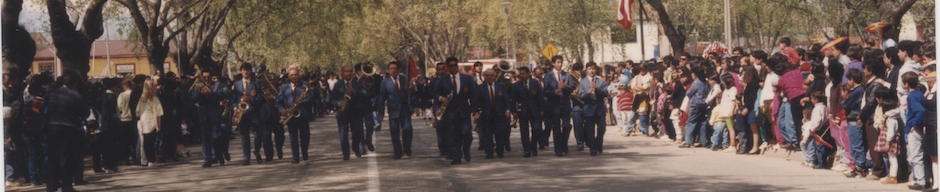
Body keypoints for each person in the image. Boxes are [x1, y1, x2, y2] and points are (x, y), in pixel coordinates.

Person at [44, 70, 89, 192]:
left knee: (52, 158)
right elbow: (85, 113)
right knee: (66, 158)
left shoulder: (51, 92)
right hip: (69, 129)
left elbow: (44, 107)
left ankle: (51, 186)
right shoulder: (76, 95)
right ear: (76, 82)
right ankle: (67, 186)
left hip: (52, 127)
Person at [435, 57, 475, 165]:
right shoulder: (442, 80)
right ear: (447, 67)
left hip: (464, 111)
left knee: (467, 133)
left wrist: (475, 110)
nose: (453, 67)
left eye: (455, 65)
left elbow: (473, 95)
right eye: (451, 65)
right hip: (450, 112)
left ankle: (466, 150)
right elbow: (436, 94)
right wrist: (440, 99)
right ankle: (456, 157)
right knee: (453, 135)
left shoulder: (466, 78)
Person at [377, 62, 416, 160]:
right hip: (393, 110)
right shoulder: (384, 82)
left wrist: (414, 104)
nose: (393, 70)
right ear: (389, 70)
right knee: (394, 132)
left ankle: (407, 147)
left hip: (405, 109)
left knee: (407, 129)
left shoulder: (405, 79)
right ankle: (397, 152)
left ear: (398, 70)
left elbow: (413, 93)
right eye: (391, 69)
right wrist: (381, 112)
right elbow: (382, 98)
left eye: (395, 68)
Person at [192, 70, 230, 167]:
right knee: (205, 139)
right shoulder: (198, 86)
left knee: (216, 137)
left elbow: (221, 96)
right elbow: (192, 99)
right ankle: (207, 159)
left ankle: (218, 155)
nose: (206, 79)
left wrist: (211, 93)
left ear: (211, 76)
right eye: (204, 77)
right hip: (203, 115)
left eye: (208, 77)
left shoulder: (217, 85)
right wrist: (199, 93)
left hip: (214, 114)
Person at [471, 68, 510, 159]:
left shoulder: (500, 86)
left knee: (499, 134)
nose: (489, 77)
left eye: (491, 75)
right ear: (485, 77)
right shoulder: (480, 87)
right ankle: (489, 152)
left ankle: (500, 151)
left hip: (498, 114)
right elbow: (475, 100)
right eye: (487, 75)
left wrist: (508, 109)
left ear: (494, 76)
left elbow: (506, 99)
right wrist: (475, 112)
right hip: (486, 114)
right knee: (487, 134)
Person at [279, 67, 314, 164]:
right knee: (293, 136)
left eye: (296, 75)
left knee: (305, 135)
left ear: (299, 75)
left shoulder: (305, 86)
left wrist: (303, 102)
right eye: (292, 75)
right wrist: (281, 109)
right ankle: (295, 157)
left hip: (303, 114)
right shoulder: (284, 87)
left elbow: (310, 99)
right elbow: (279, 101)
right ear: (289, 76)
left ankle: (304, 152)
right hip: (290, 115)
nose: (294, 77)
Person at [332, 66, 367, 160]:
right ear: (343, 73)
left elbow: (364, 94)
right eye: (346, 71)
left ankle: (356, 148)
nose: (348, 73)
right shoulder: (337, 85)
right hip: (342, 112)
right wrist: (338, 103)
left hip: (355, 112)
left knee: (356, 133)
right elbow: (331, 99)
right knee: (343, 134)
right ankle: (346, 154)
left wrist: (355, 92)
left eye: (350, 71)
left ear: (353, 73)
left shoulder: (357, 84)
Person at [544, 56, 576, 156]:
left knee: (566, 125)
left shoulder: (567, 75)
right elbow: (545, 91)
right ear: (553, 63)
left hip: (565, 104)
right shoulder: (548, 76)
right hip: (554, 106)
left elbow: (572, 88)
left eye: (561, 62)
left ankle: (564, 142)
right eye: (558, 62)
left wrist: (565, 87)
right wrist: (553, 92)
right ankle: (558, 149)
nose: (560, 64)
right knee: (556, 128)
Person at [510, 67, 545, 157]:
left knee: (536, 129)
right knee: (524, 131)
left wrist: (542, 109)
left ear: (528, 73)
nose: (521, 76)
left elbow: (540, 97)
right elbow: (513, 100)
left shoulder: (535, 83)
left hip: (535, 110)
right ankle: (526, 150)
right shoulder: (516, 85)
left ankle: (533, 146)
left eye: (523, 74)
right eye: (520, 74)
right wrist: (513, 111)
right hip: (523, 111)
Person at [232, 64, 263, 165]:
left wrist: (252, 99)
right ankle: (246, 158)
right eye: (244, 70)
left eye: (247, 70)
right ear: (241, 71)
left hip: (254, 112)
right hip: (242, 113)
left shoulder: (256, 83)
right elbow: (234, 99)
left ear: (250, 71)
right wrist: (235, 108)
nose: (245, 72)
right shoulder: (236, 84)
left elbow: (261, 98)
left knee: (258, 134)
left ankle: (257, 152)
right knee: (244, 136)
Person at [902, 71, 927, 187]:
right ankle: (922, 178)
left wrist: (915, 125)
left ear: (906, 84)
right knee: (919, 155)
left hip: (914, 129)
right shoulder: (920, 93)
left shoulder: (911, 96)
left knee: (915, 156)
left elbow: (920, 110)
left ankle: (920, 181)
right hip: (921, 128)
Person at [579, 62, 609, 156]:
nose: (591, 71)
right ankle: (593, 148)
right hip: (589, 108)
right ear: (586, 70)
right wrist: (587, 93)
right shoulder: (583, 82)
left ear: (595, 69)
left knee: (602, 128)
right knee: (590, 129)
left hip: (599, 108)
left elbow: (606, 93)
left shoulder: (601, 81)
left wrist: (598, 89)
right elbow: (580, 96)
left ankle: (598, 142)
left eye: (593, 69)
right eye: (589, 69)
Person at [680, 64, 710, 148]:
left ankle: (688, 141)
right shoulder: (705, 82)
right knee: (702, 122)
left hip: (695, 104)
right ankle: (703, 141)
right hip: (703, 104)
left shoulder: (696, 83)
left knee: (690, 122)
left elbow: (689, 93)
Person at [874, 93, 902, 184]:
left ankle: (893, 177)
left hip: (890, 140)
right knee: (891, 158)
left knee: (892, 158)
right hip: (890, 140)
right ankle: (891, 174)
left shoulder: (890, 119)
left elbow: (891, 132)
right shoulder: (892, 117)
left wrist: (887, 142)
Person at [136, 78, 163, 167]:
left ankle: (147, 160)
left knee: (145, 143)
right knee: (151, 142)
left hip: (143, 123)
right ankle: (152, 160)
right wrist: (157, 125)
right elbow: (157, 113)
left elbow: (138, 112)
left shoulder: (142, 99)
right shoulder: (154, 99)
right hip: (151, 123)